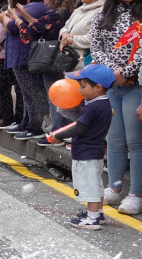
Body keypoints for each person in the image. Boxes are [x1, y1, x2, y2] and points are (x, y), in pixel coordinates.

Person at [90, 0, 142, 215]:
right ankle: (114, 187)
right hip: (111, 84)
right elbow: (96, 48)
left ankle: (136, 194)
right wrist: (114, 73)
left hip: (137, 85)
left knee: (137, 142)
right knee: (114, 140)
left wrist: (127, 72)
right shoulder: (102, 13)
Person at [47, 65, 114, 229]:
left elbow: (79, 128)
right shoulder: (103, 102)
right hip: (95, 151)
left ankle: (92, 219)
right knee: (96, 184)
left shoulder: (92, 107)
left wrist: (58, 135)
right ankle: (98, 214)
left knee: (90, 187)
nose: (79, 90)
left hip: (86, 152)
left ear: (98, 87)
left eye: (83, 87)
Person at [17, 0, 74, 145]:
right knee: (67, 97)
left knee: (54, 96)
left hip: (50, 60)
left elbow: (27, 32)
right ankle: (66, 131)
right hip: (65, 59)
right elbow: (41, 25)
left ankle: (56, 133)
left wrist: (16, 18)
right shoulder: (69, 12)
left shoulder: (53, 14)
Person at [0, 0, 50, 140]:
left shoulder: (35, 7)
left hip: (26, 55)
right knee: (27, 92)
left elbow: (14, 27)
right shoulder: (32, 6)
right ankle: (27, 122)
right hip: (20, 55)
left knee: (32, 93)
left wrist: (5, 17)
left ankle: (36, 125)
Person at [59, 0, 110, 67]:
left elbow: (94, 39)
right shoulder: (79, 9)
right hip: (69, 62)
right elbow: (66, 26)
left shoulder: (103, 12)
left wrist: (70, 40)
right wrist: (64, 34)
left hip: (85, 64)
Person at [0, 0, 24, 130]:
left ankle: (8, 118)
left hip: (4, 56)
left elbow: (0, 35)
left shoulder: (7, 14)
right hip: (17, 55)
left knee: (3, 89)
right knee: (19, 89)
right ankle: (20, 118)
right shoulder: (23, 13)